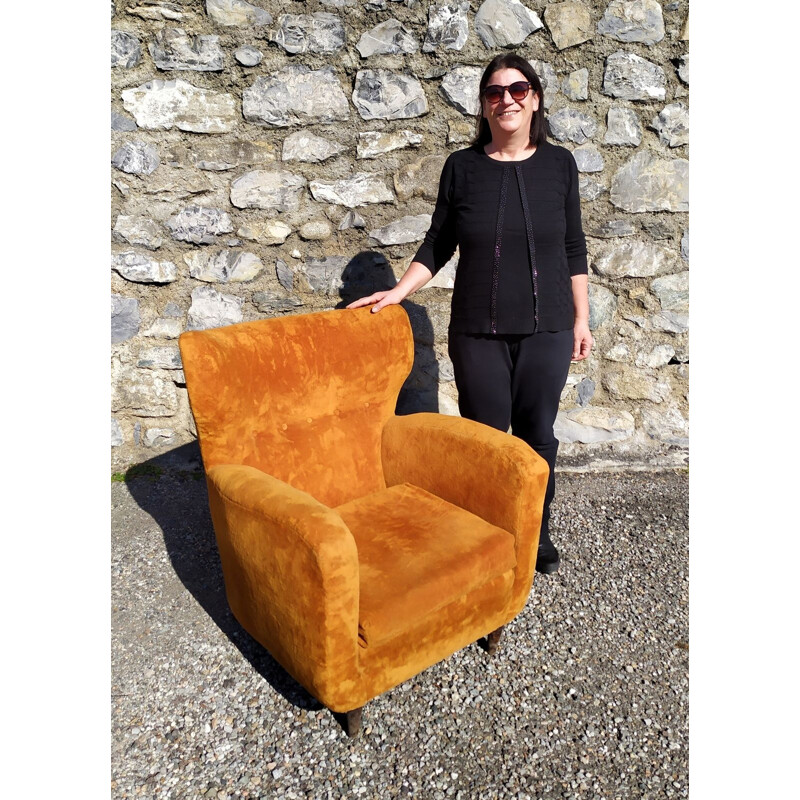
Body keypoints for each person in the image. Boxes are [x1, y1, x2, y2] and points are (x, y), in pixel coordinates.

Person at [347, 53, 592, 575]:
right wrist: (397, 292)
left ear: (536, 99)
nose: (507, 99)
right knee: (483, 438)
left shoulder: (559, 164)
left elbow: (574, 247)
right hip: (477, 332)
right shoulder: (462, 167)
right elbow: (438, 242)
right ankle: (483, 530)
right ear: (483, 106)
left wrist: (581, 319)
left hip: (547, 328)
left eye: (518, 89)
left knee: (538, 435)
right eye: (494, 92)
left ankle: (535, 529)